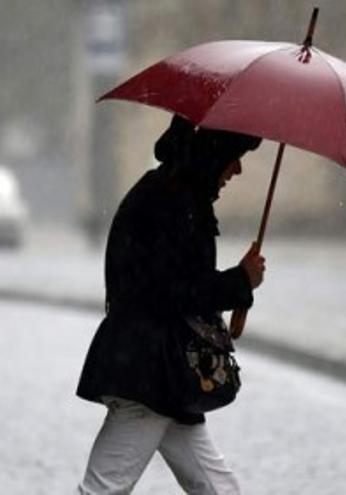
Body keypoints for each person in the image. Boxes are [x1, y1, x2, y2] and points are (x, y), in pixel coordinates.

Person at [76, 115, 265, 494]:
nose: (239, 168)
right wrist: (240, 281)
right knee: (103, 489)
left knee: (217, 487)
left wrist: (238, 283)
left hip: (164, 370)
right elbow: (173, 290)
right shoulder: (175, 201)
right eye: (237, 154)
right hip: (152, 370)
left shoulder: (173, 191)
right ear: (218, 151)